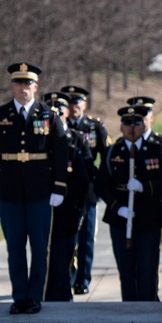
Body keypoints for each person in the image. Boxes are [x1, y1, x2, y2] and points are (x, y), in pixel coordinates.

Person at [0, 63, 68, 314]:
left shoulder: (49, 115)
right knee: (15, 246)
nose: (23, 88)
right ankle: (19, 296)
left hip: (41, 191)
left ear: (36, 87)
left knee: (39, 247)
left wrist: (59, 188)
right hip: (9, 191)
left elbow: (60, 153)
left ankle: (34, 297)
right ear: (12, 86)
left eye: (28, 84)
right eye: (18, 83)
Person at [95, 105, 162, 301]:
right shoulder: (112, 152)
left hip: (149, 218)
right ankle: (129, 307)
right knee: (126, 270)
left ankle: (148, 307)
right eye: (127, 123)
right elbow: (101, 185)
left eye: (137, 123)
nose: (132, 127)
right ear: (121, 126)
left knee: (148, 269)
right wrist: (118, 207)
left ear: (143, 125)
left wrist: (145, 186)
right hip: (120, 220)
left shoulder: (158, 149)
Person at [43, 92, 93, 302]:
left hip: (67, 214)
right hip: (43, 211)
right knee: (44, 258)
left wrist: (80, 213)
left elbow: (84, 181)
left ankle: (64, 296)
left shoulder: (75, 141)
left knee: (64, 259)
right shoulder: (39, 143)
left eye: (60, 113)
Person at [62, 84, 108, 295]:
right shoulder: (58, 126)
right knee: (66, 236)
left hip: (88, 189)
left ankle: (83, 279)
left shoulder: (94, 127)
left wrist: (98, 186)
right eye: (70, 103)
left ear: (84, 104)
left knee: (87, 237)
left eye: (77, 102)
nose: (74, 107)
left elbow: (106, 157)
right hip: (66, 190)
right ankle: (68, 276)